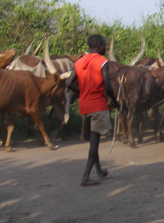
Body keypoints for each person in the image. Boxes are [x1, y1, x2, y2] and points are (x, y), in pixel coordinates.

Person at [66, 34, 119, 187]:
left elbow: (69, 83)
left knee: (93, 140)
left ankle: (100, 170)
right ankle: (86, 177)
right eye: (103, 45)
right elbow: (108, 86)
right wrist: (116, 102)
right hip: (97, 106)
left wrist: (81, 90)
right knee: (94, 143)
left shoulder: (80, 62)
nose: (104, 47)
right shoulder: (102, 62)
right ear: (98, 46)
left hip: (84, 106)